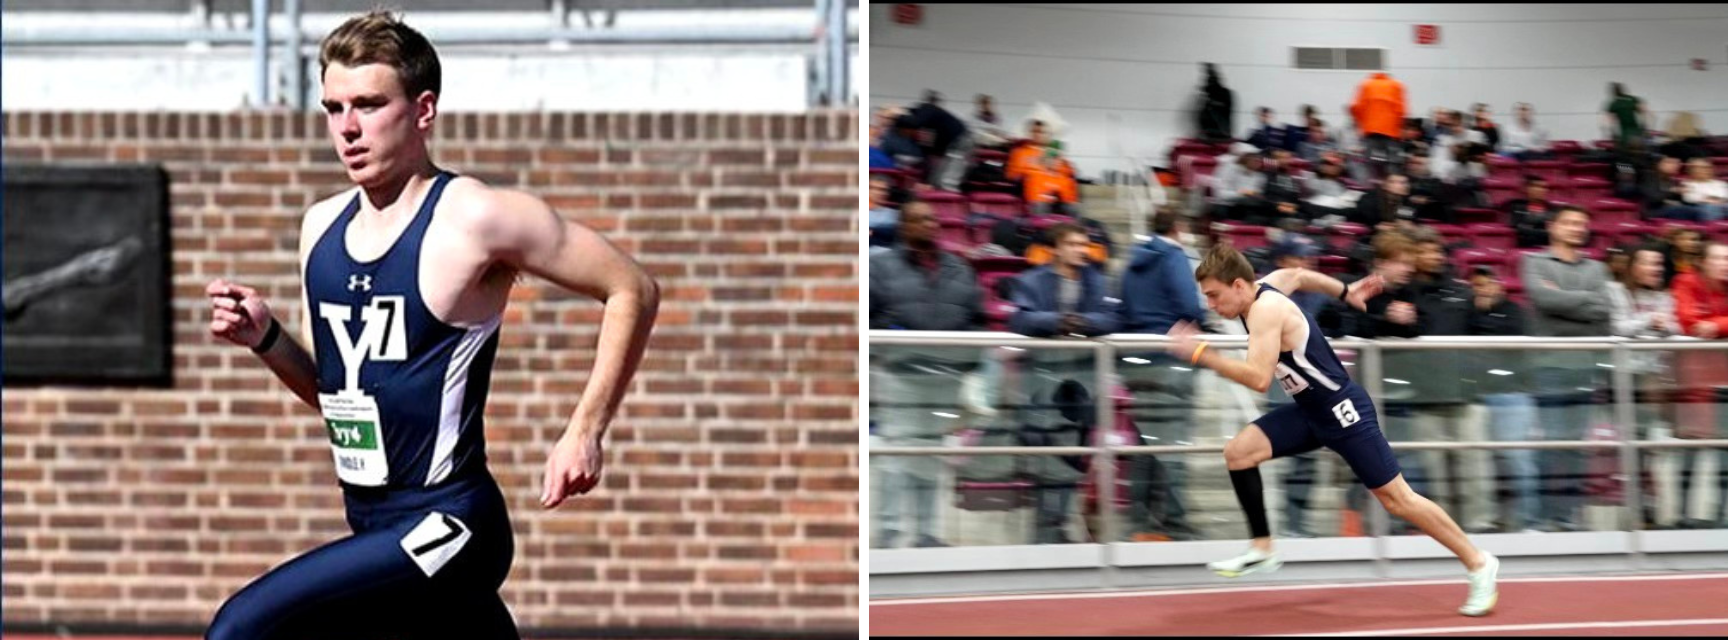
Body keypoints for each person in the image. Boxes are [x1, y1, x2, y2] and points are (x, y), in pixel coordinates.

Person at [202, 12, 661, 639]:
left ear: (423, 111)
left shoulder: (475, 217)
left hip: (453, 524)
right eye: (334, 108)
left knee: (242, 629)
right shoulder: (321, 229)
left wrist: (585, 429)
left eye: (369, 104)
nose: (349, 129)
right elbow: (336, 397)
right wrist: (267, 339)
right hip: (371, 520)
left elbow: (629, 287)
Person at [1168, 241, 1499, 616]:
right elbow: (1298, 275)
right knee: (1239, 452)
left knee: (1397, 500)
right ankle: (1262, 549)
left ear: (1239, 286)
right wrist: (1346, 291)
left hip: (1343, 413)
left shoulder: (1266, 310)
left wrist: (1201, 354)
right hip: (1310, 411)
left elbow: (1259, 378)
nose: (1211, 305)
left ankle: (1478, 562)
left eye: (1214, 295)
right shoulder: (1268, 284)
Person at [869, 197, 984, 548]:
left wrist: (967, 359)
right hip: (900, 374)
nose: (930, 225)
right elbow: (868, 317)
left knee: (932, 454)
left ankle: (926, 532)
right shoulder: (881, 266)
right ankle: (889, 530)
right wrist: (895, 336)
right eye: (920, 220)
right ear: (904, 227)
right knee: (897, 452)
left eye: (932, 220)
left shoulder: (957, 267)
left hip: (946, 376)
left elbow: (976, 318)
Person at [1116, 210, 1208, 541]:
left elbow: (1122, 307)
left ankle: (1138, 518)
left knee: (1144, 446)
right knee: (1173, 443)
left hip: (1135, 358)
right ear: (1178, 228)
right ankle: (1173, 519)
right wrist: (1199, 318)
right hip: (1170, 360)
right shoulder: (1173, 255)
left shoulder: (1132, 260)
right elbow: (1189, 304)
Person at [1520, 205, 1611, 532]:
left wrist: (1566, 302)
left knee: (1576, 443)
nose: (1576, 227)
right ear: (1552, 227)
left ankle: (1567, 515)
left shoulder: (1597, 268)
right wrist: (1585, 303)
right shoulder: (1534, 262)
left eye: (1582, 223)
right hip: (1549, 365)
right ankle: (1542, 516)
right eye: (1570, 222)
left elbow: (1605, 309)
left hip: (1585, 364)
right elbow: (1544, 300)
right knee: (1551, 441)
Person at [1608, 245, 1678, 527]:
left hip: (1656, 380)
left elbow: (1675, 330)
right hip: (1622, 380)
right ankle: (1631, 516)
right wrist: (1650, 320)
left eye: (1659, 264)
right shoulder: (1614, 291)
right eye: (1649, 263)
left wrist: (1658, 325)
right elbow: (1616, 328)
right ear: (1633, 266)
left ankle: (1657, 513)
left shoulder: (1664, 296)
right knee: (1628, 450)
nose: (1656, 269)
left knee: (1655, 448)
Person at [1465, 266, 1539, 531]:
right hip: (1477, 394)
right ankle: (1489, 520)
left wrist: (1483, 314)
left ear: (1500, 284)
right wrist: (1478, 312)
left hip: (1512, 393)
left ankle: (1527, 521)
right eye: (1477, 286)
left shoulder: (1515, 311)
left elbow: (1514, 342)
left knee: (1517, 458)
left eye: (1487, 283)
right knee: (1481, 461)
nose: (1482, 289)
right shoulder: (1468, 312)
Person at [1669, 242, 1728, 528]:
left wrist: (1718, 326)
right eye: (1718, 257)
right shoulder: (1686, 281)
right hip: (1695, 380)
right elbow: (1688, 321)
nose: (1724, 263)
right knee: (1691, 449)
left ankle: (1721, 516)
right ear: (1703, 262)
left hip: (1724, 380)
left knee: (1725, 452)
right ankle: (1683, 515)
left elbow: (1706, 326)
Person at [1008, 223, 1119, 338]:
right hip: (1042, 352)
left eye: (1084, 245)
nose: (1082, 250)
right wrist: (1059, 321)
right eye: (1072, 245)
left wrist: (1083, 322)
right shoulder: (1030, 281)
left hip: (1088, 352)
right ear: (1053, 249)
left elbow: (1113, 319)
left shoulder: (1100, 281)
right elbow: (1020, 320)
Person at [1350, 71, 1406, 179]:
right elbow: (1401, 110)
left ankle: (1368, 187)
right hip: (1391, 133)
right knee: (1392, 163)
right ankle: (1392, 186)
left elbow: (1355, 107)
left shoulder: (1366, 85)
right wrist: (1398, 127)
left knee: (1367, 162)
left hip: (1370, 132)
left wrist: (1362, 123)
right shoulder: (1396, 85)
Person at [1505, 176, 1555, 249]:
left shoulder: (1552, 208)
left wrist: (1531, 226)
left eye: (1544, 187)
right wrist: (1546, 231)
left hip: (1549, 248)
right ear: (1526, 189)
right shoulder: (1515, 206)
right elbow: (1519, 230)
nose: (1541, 190)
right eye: (1536, 186)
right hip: (1523, 247)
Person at [1197, 63, 1235, 144]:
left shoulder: (1224, 93)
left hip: (1221, 131)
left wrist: (1210, 103)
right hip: (1211, 131)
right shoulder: (1210, 98)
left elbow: (1225, 107)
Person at [1603, 82, 1648, 151]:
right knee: (1640, 152)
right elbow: (1644, 112)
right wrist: (1644, 127)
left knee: (1627, 154)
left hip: (1625, 134)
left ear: (1613, 92)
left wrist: (1613, 134)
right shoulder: (1632, 99)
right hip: (1637, 131)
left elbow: (1610, 122)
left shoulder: (1614, 103)